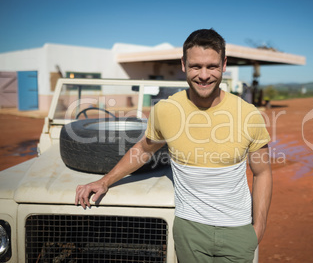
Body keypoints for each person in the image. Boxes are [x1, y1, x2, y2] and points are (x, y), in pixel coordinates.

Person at [75, 28, 272, 262]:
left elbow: (263, 173)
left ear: (224, 64)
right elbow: (143, 150)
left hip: (237, 230)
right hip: (189, 230)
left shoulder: (249, 114)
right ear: (183, 65)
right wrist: (104, 181)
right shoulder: (166, 110)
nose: (204, 75)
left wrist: (257, 229)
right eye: (196, 66)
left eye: (212, 66)